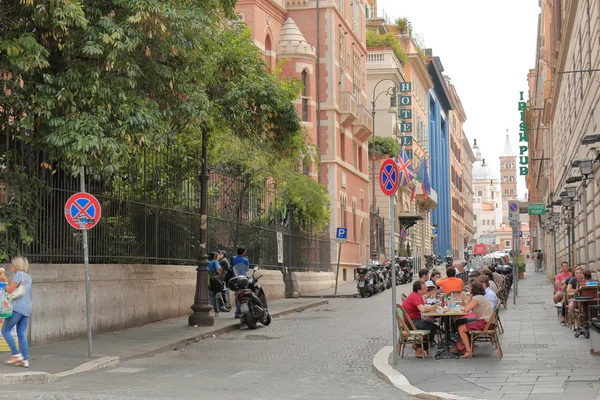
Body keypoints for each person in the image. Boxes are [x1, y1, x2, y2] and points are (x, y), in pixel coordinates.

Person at [0, 256, 32, 368]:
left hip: (18, 308)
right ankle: (25, 360)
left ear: (17, 266)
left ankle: (16, 354)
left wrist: (4, 280)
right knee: (21, 334)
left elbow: (9, 289)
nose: (11, 267)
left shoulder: (19, 274)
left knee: (5, 330)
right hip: (27, 308)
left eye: (12, 265)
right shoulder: (28, 276)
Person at [456, 282, 494, 359]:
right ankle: (465, 347)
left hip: (485, 323)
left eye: (470, 287)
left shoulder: (477, 298)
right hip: (487, 322)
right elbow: (467, 308)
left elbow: (466, 309)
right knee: (461, 322)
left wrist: (470, 296)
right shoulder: (480, 297)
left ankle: (468, 351)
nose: (469, 289)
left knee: (461, 328)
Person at [401, 281, 438, 357]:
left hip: (411, 321)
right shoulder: (415, 296)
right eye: (424, 288)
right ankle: (420, 349)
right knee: (432, 327)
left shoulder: (415, 295)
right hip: (410, 323)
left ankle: (420, 346)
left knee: (431, 326)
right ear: (419, 290)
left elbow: (422, 305)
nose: (427, 289)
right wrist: (432, 307)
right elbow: (422, 309)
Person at [231, 247, 250, 318]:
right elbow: (247, 269)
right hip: (243, 279)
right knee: (244, 294)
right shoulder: (245, 260)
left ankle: (237, 311)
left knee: (237, 295)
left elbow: (232, 266)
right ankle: (244, 310)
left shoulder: (233, 258)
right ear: (243, 252)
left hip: (235, 278)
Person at [207, 252, 223, 317]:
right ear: (214, 257)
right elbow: (218, 271)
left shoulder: (207, 262)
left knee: (212, 294)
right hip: (213, 280)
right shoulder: (215, 262)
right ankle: (212, 309)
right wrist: (220, 270)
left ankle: (214, 310)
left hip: (207, 279)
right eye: (217, 256)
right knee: (214, 295)